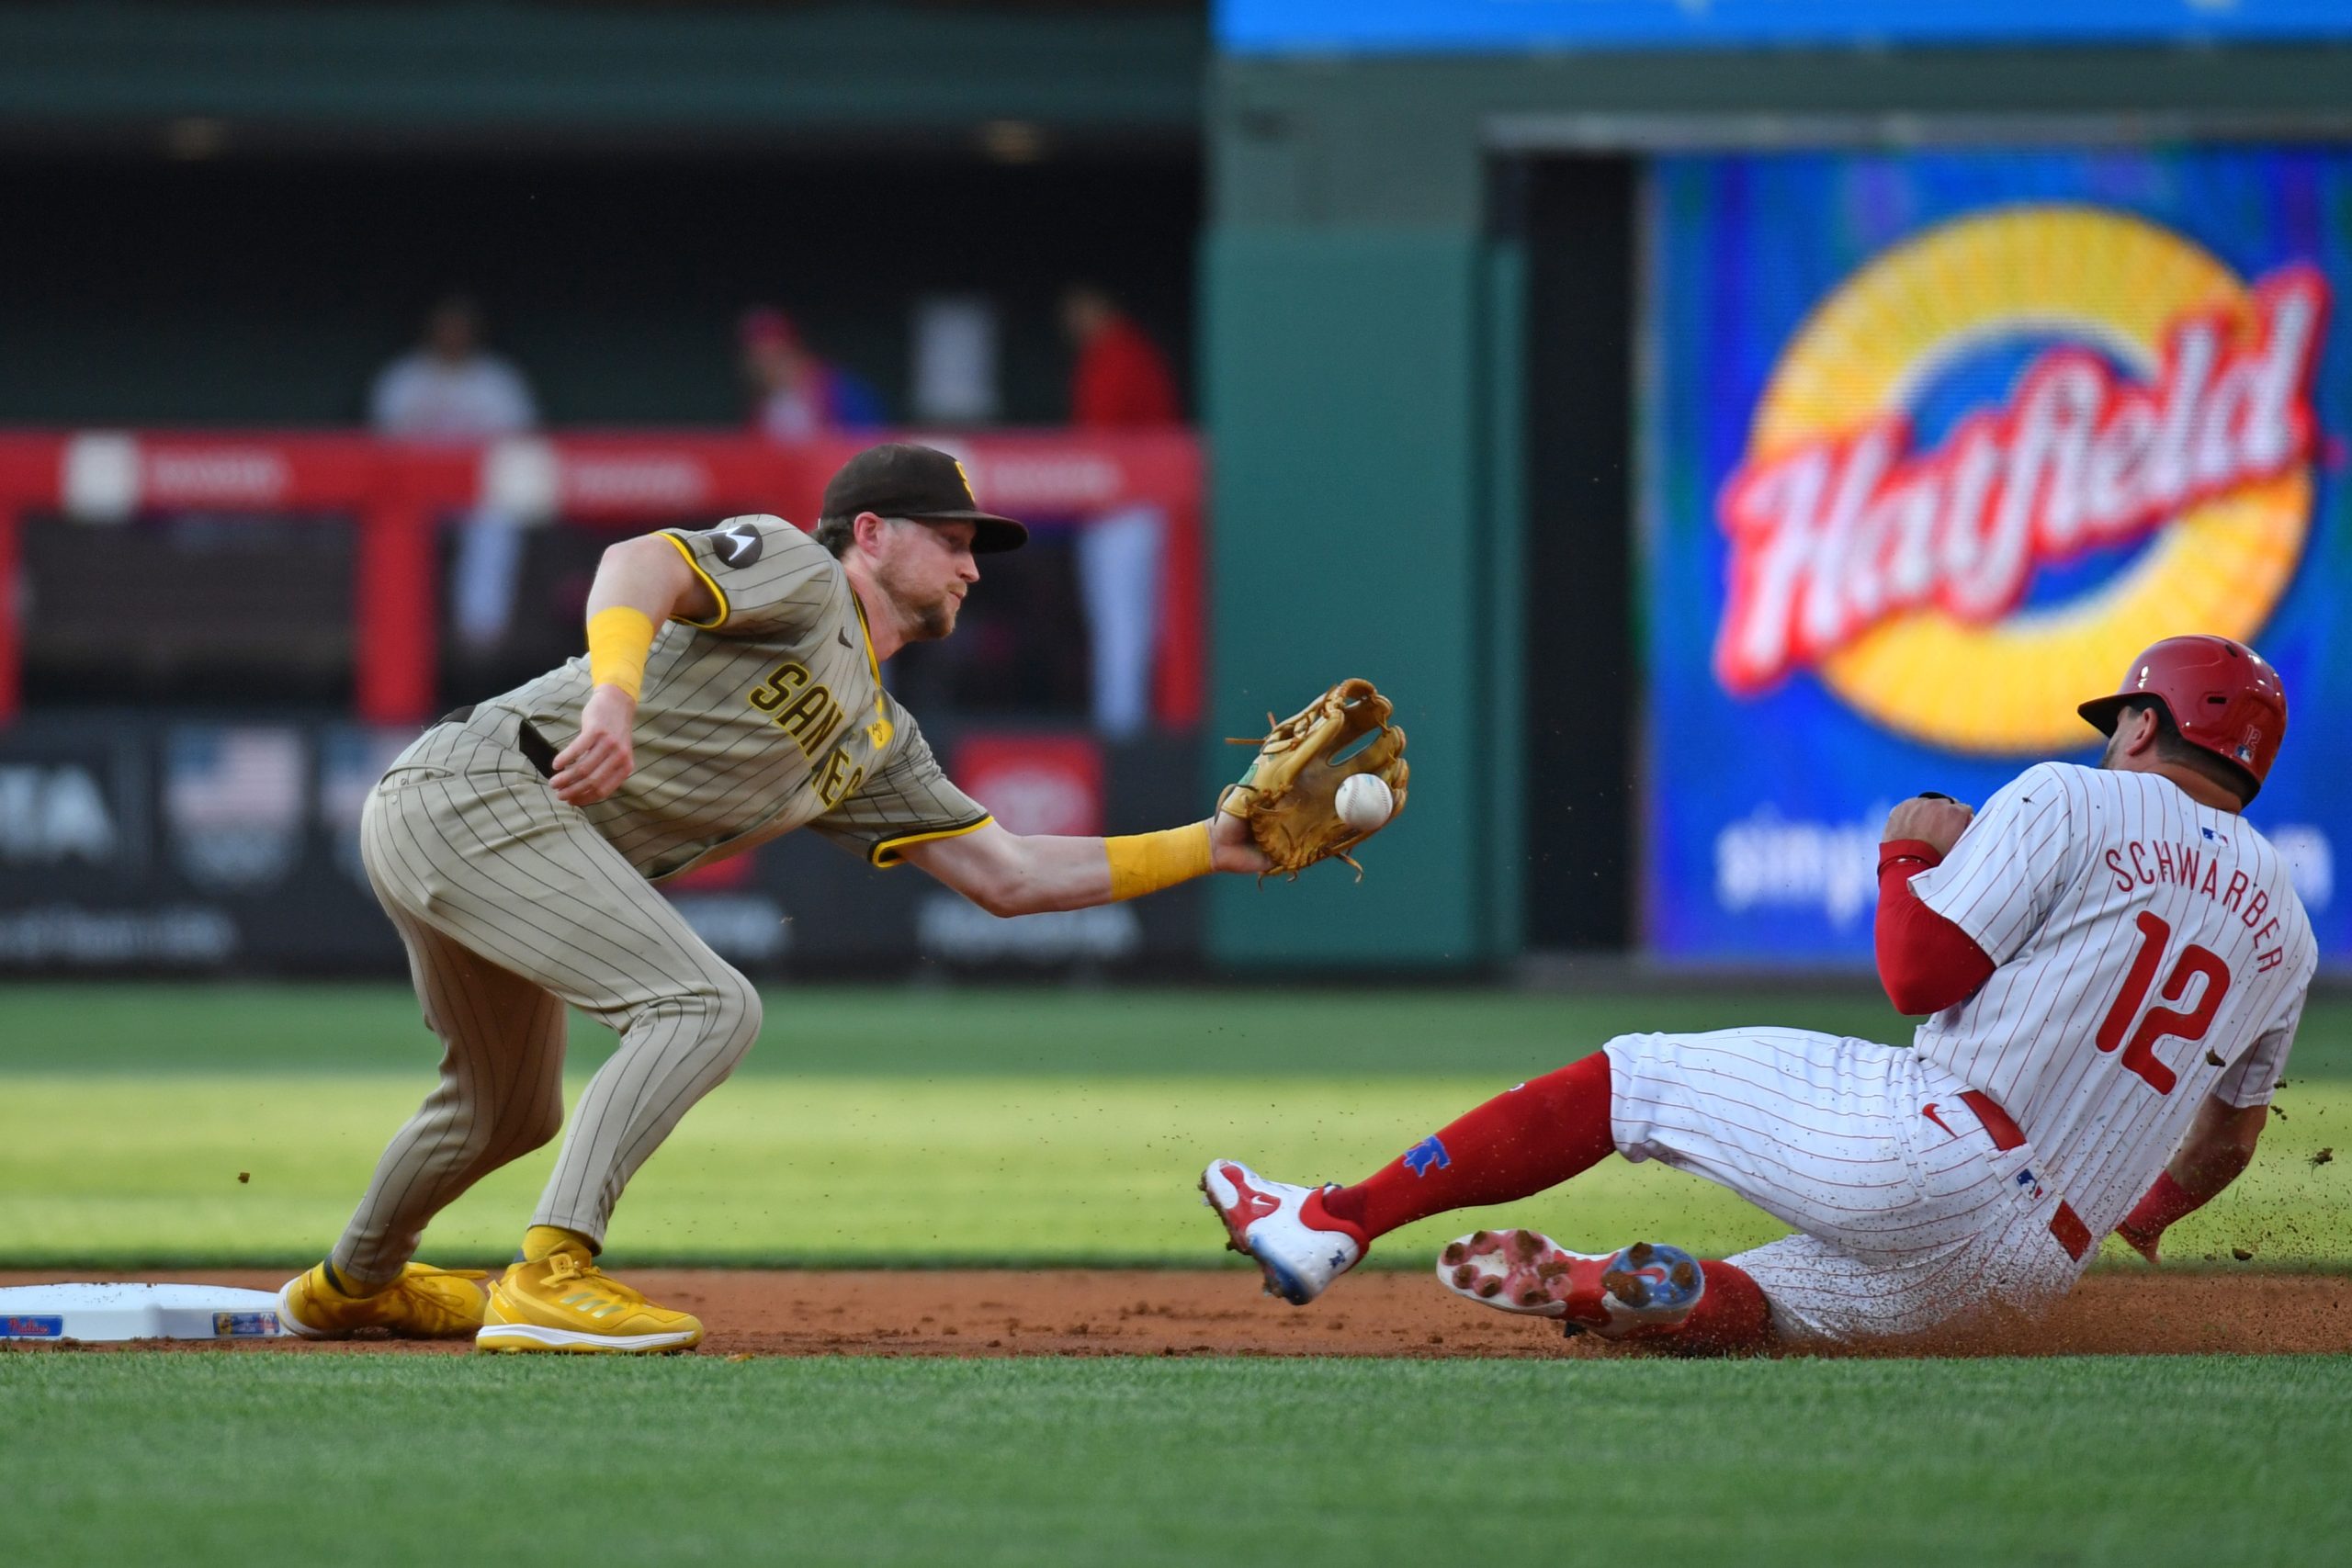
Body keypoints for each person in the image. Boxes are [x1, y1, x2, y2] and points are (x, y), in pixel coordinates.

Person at [278, 443, 1269, 1353]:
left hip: (498, 824)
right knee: (705, 1005)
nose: (973, 568)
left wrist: (1209, 847)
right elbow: (637, 561)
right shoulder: (804, 572)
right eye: (953, 541)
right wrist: (613, 698)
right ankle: (552, 1273)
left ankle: (352, 1285)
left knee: (503, 1110)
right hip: (483, 789)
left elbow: (1006, 876)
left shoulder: (877, 736)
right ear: (871, 535)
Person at [1205, 635, 2313, 1352]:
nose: (2111, 730)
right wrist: (2148, 1211)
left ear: (2149, 722)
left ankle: (1327, 1222)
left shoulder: (2074, 799)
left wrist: (1905, 860)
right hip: (2024, 1270)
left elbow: (1917, 976)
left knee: (1631, 1079)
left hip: (1927, 1146)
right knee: (1767, 1309)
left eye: (2121, 714)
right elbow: (2224, 1146)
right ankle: (1610, 1286)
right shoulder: (2290, 929)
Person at [368, 293, 540, 656]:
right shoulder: (404, 378)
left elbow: (521, 448)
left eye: (460, 328)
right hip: (413, 496)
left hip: (476, 496)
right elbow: (384, 447)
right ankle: (398, 640)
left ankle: (480, 633)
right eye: (445, 327)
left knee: (497, 520)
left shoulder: (497, 381)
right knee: (394, 524)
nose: (452, 335)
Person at [1060, 284, 1182, 739]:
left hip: (1130, 509)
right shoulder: (1104, 355)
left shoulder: (1123, 354)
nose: (1073, 322)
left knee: (1126, 629)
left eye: (1078, 310)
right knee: (1125, 629)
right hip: (1118, 510)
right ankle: (1123, 723)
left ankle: (1123, 733)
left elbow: (1108, 434)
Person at [741, 306, 886, 439]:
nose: (766, 365)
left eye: (776, 354)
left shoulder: (841, 390)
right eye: (758, 357)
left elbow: (869, 445)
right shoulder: (763, 404)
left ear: (795, 349)